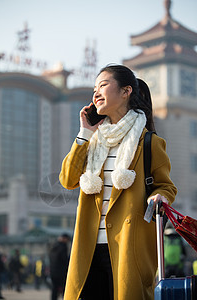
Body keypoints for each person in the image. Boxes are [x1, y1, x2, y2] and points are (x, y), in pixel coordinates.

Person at [59, 64, 177, 300]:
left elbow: (166, 186)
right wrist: (85, 133)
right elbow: (68, 180)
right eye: (94, 88)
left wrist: (159, 195)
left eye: (103, 85)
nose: (96, 93)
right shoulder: (92, 142)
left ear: (126, 91)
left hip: (128, 247)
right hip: (88, 248)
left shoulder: (149, 142)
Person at [49, 234, 70, 300]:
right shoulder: (63, 247)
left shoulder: (54, 246)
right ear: (64, 238)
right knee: (65, 288)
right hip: (61, 272)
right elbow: (65, 260)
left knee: (54, 288)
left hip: (53, 272)